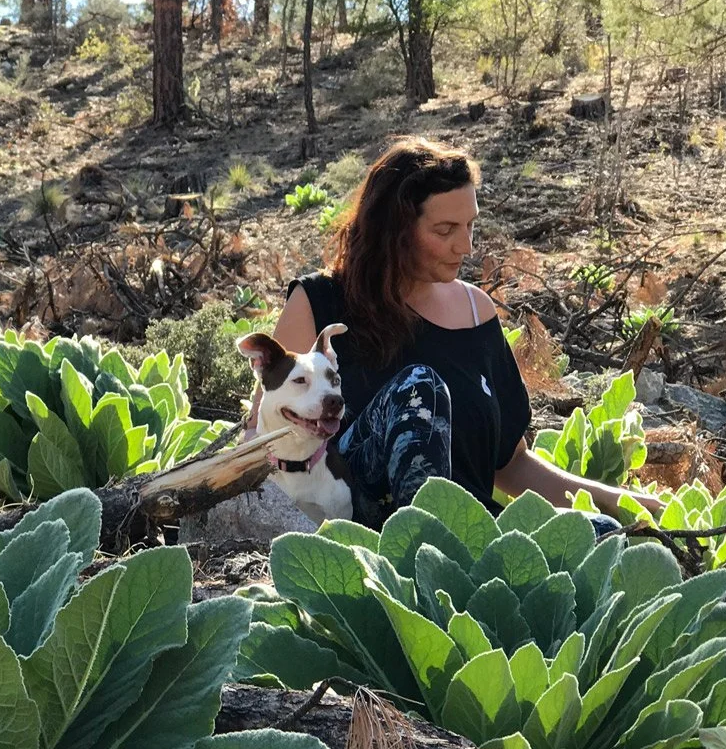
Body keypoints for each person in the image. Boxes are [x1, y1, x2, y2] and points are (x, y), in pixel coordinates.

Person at [248, 135, 662, 532]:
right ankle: (419, 552)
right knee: (419, 387)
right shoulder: (318, 302)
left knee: (603, 532)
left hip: (472, 535)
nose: (464, 246)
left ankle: (462, 553)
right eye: (445, 230)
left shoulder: (476, 311)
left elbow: (512, 465)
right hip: (361, 528)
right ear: (394, 231)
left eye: (470, 226)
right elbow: (262, 438)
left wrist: (625, 502)